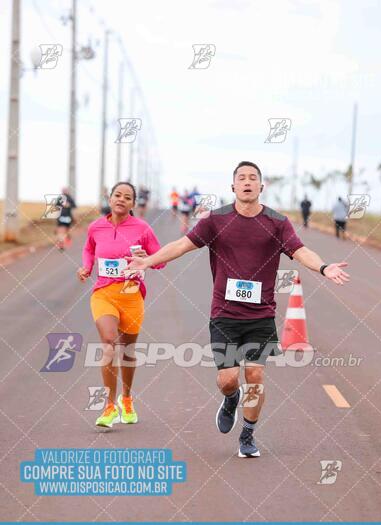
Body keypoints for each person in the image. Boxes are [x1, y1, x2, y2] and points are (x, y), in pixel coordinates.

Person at [124, 161, 350, 458]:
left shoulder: (277, 222)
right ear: (233, 187)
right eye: (241, 178)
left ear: (261, 186)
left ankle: (248, 434)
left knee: (255, 375)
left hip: (261, 316)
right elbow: (182, 245)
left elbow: (300, 251)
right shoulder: (215, 221)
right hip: (224, 315)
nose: (247, 182)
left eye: (253, 178)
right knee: (228, 379)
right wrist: (147, 261)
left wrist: (323, 267)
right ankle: (231, 399)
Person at [77, 182, 165, 428]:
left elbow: (160, 260)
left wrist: (145, 260)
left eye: (127, 197)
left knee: (127, 351)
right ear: (110, 197)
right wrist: (86, 267)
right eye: (118, 195)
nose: (121, 200)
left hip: (131, 294)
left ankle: (126, 398)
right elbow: (88, 249)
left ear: (133, 204)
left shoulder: (143, 228)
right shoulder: (96, 227)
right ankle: (109, 406)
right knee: (109, 344)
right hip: (103, 293)